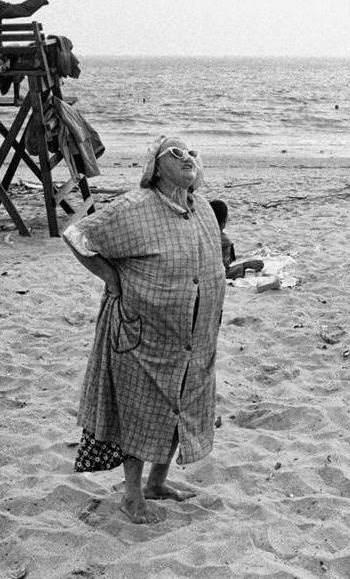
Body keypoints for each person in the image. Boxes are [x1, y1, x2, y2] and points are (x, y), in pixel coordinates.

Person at [62, 136, 226, 524]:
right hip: (144, 334)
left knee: (181, 406)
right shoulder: (134, 206)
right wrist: (111, 278)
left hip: (195, 338)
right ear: (154, 165)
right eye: (176, 152)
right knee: (143, 410)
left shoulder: (201, 207)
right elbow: (78, 235)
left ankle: (158, 482)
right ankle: (132, 494)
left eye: (192, 152)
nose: (187, 156)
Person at [209, 199, 264, 280]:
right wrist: (245, 265)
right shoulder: (223, 242)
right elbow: (221, 274)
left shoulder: (199, 235)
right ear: (224, 221)